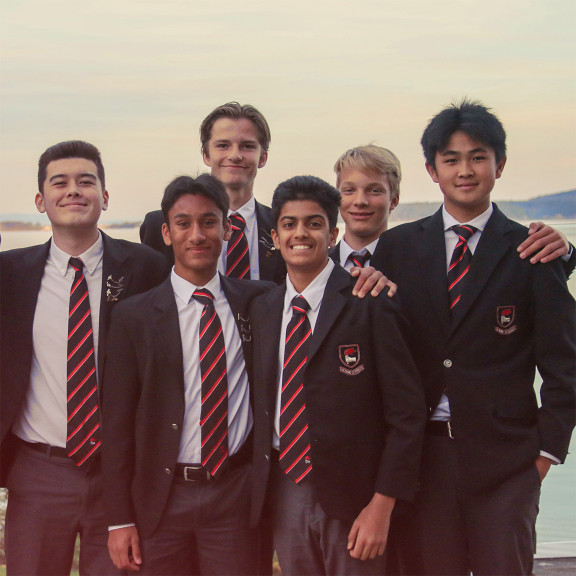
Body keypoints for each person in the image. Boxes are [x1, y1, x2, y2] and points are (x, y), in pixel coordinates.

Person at [370, 100, 576, 575]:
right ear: (432, 170)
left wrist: (544, 456)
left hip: (507, 463)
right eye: (451, 159)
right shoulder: (399, 247)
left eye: (478, 157)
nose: (465, 170)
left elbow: (562, 366)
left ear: (499, 165)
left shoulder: (532, 251)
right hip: (423, 459)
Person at [0, 141, 168, 575]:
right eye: (60, 182)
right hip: (38, 471)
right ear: (41, 200)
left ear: (105, 197)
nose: (73, 190)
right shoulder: (9, 274)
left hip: (120, 471)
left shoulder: (146, 268)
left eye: (86, 181)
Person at [249, 175, 427, 576]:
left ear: (333, 235)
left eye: (314, 224)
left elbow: (407, 414)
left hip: (357, 496)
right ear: (275, 237)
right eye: (290, 224)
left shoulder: (370, 303)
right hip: (285, 486)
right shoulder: (263, 309)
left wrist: (382, 505)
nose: (301, 234)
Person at [331, 144, 575, 274]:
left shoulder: (421, 258)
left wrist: (565, 251)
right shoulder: (311, 266)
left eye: (374, 191)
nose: (360, 201)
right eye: (349, 190)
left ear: (394, 200)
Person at [140, 102, 286, 283]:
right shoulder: (159, 225)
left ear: (263, 157)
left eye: (247, 146)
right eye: (223, 145)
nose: (235, 155)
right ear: (206, 155)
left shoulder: (283, 226)